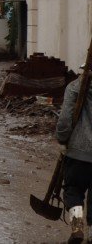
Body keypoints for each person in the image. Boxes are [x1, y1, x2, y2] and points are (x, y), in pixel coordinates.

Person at [56, 69, 92, 243]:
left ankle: (77, 227)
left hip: (79, 152)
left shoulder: (75, 87)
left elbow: (65, 119)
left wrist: (62, 139)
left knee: (74, 189)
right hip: (80, 152)